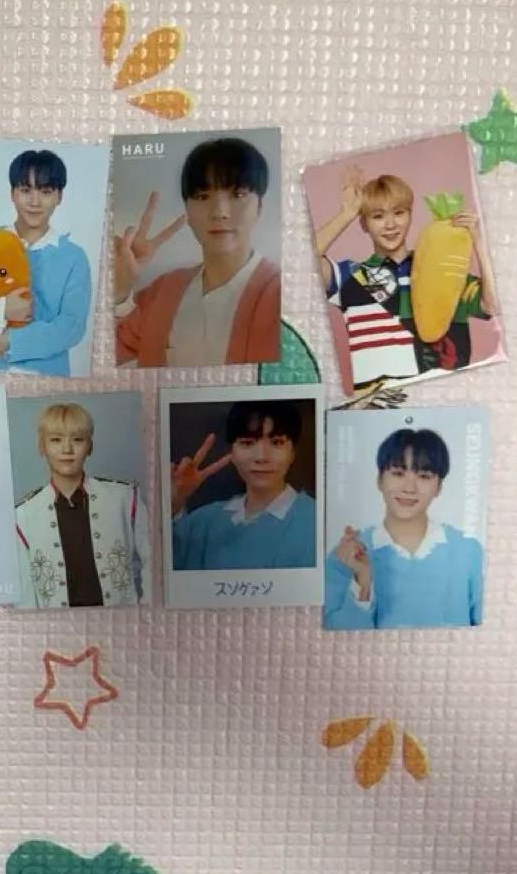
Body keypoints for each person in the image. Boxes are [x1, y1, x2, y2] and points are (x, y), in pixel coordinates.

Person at [314, 168, 499, 390]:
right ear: (363, 223)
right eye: (378, 216)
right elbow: (305, 257)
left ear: (410, 215)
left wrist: (479, 243)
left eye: (399, 213)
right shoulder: (351, 275)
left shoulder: (439, 268)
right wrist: (347, 213)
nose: (390, 224)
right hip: (378, 403)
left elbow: (491, 305)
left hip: (442, 396)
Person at [115, 137, 280, 367]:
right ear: (187, 210)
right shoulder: (162, 291)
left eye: (238, 195)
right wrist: (120, 290)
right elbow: (106, 353)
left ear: (259, 207)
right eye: (203, 196)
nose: (220, 212)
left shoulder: (279, 293)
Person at [0, 149, 91, 376]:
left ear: (59, 196)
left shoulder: (73, 257)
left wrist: (12, 342)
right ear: (12, 194)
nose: (34, 202)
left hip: (45, 377)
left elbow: (72, 326)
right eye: (25, 190)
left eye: (45, 191)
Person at [324, 428, 483, 630]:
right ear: (379, 480)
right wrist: (362, 581)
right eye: (398, 473)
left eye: (424, 476)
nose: (409, 488)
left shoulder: (467, 551)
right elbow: (335, 640)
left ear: (439, 487)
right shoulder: (345, 556)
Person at [15, 403, 146, 609]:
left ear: (90, 446)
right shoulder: (23, 515)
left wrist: (145, 612)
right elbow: (26, 597)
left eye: (77, 439)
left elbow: (153, 562)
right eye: (56, 440)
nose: (67, 449)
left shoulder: (125, 497)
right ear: (42, 447)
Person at [171, 400, 316, 571]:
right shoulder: (203, 522)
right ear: (232, 452)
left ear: (292, 453)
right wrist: (174, 503)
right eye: (247, 443)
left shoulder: (316, 520)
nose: (261, 457)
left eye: (276, 442)